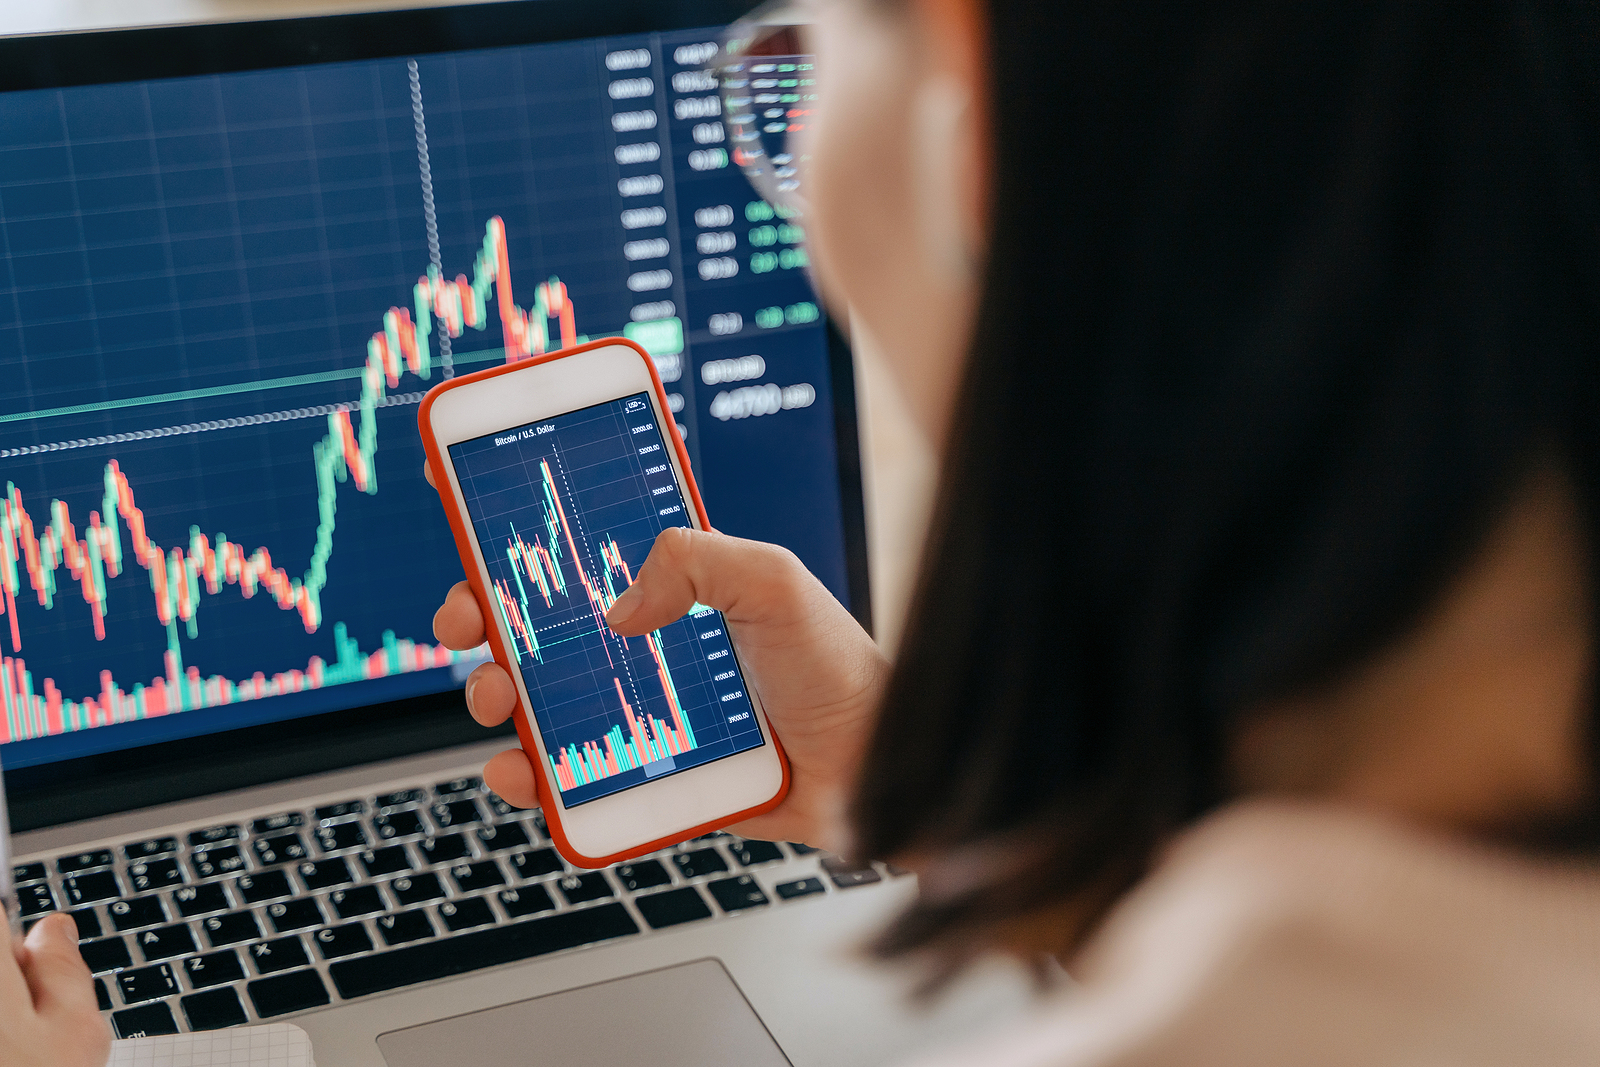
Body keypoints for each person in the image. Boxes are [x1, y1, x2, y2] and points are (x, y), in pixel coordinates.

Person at [11, 0, 1600, 1063]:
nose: (785, 151)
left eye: (805, 60)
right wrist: (933, 793)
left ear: (967, 120)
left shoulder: (1254, 1014)